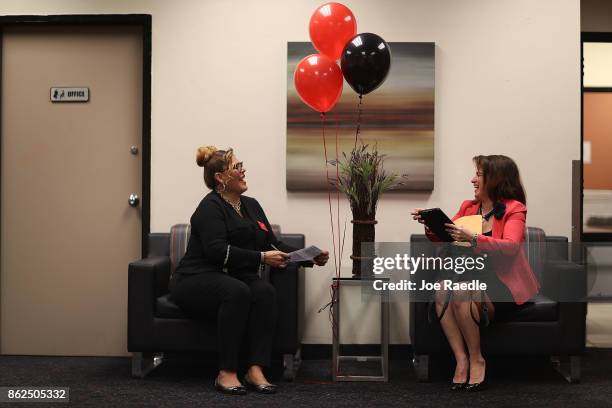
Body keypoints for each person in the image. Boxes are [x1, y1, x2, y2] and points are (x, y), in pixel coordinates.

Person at [169, 146, 329, 395]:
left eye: (241, 165)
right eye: (237, 167)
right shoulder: (209, 208)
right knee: (238, 291)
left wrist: (308, 257)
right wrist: (262, 258)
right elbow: (217, 252)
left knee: (264, 291)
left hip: (229, 276)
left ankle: (255, 369)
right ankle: (227, 372)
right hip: (195, 278)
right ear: (220, 178)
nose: (243, 171)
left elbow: (271, 243)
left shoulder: (251, 205)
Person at [411, 155, 539, 392]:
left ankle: (477, 358)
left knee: (460, 290)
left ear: (495, 179)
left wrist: (475, 239)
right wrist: (430, 224)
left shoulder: (514, 209)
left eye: (478, 175)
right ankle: (461, 360)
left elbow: (511, 247)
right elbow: (446, 236)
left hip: (501, 284)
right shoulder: (468, 207)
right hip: (469, 276)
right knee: (441, 290)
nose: (473, 179)